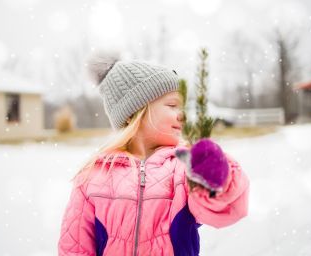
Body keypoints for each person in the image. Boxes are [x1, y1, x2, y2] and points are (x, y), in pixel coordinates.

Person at [58, 53, 250, 256]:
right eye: (172, 105)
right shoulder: (93, 177)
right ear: (136, 113)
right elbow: (74, 248)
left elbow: (228, 207)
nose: (183, 114)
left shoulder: (183, 168)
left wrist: (217, 173)